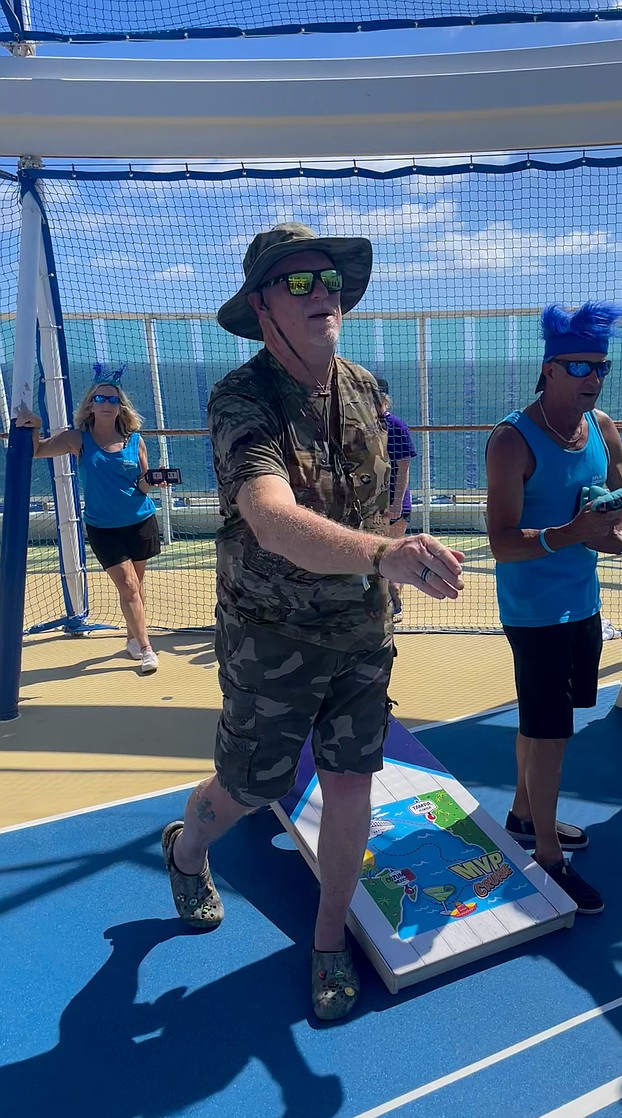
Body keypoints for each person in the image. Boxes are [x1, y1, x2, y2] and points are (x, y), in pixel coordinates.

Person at [159, 222, 464, 1022]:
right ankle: (187, 848)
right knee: (250, 787)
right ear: (261, 306)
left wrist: (402, 545)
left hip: (363, 632)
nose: (321, 292)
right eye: (297, 283)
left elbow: (381, 496)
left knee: (351, 781)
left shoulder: (367, 388)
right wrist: (384, 554)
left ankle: (329, 940)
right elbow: (267, 515)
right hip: (273, 636)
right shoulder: (240, 400)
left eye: (327, 278)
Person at [486, 301, 622, 914]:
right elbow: (500, 540)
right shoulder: (512, 440)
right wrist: (569, 533)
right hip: (532, 612)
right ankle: (548, 856)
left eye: (599, 365)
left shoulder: (601, 427)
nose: (591, 377)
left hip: (584, 603)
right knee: (552, 735)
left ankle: (524, 815)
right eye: (577, 365)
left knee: (545, 722)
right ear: (548, 369)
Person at [17, 365, 162, 674]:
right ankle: (148, 649)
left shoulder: (135, 440)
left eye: (112, 399)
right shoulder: (77, 439)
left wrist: (153, 483)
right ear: (90, 405)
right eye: (100, 399)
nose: (107, 404)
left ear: (120, 406)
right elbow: (38, 451)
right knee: (129, 587)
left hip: (140, 520)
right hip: (103, 528)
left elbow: (141, 482)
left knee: (136, 585)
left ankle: (133, 638)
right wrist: (35, 426)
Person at [375, 376, 417, 622]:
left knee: (391, 552)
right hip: (371, 505)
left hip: (393, 504)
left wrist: (397, 504)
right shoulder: (363, 427)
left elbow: (403, 466)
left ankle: (396, 603)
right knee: (376, 556)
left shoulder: (396, 426)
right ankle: (382, 605)